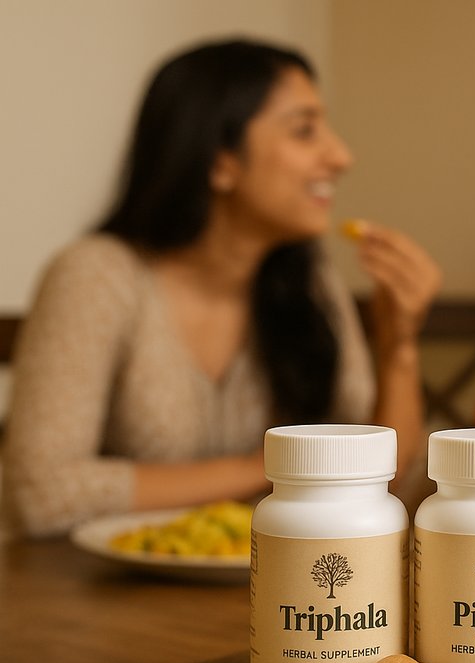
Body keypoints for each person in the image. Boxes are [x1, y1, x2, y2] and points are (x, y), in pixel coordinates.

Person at [2, 39, 441, 538]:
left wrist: (400, 345)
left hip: (276, 594)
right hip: (90, 602)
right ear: (219, 160)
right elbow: (39, 493)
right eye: (304, 131)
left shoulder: (308, 279)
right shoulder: (96, 276)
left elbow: (384, 479)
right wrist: (283, 463)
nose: (341, 155)